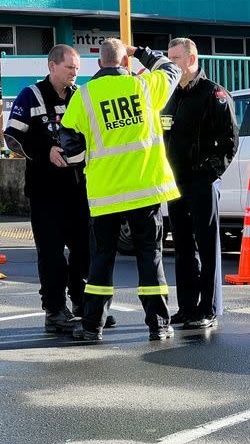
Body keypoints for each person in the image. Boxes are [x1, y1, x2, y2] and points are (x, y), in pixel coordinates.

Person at [58, 38, 182, 341]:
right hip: (146, 189)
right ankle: (159, 325)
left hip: (106, 193)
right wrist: (138, 51)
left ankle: (91, 326)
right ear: (124, 61)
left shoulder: (84, 96)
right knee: (150, 258)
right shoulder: (144, 87)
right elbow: (172, 69)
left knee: (101, 259)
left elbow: (70, 149)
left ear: (99, 63)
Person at [3, 44, 114, 333]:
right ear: (52, 67)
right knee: (51, 254)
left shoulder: (81, 95)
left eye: (77, 68)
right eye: (70, 68)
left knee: (83, 251)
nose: (75, 73)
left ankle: (81, 303)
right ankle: (54, 311)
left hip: (78, 189)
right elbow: (12, 138)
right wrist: (46, 150)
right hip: (44, 192)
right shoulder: (31, 95)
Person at [162, 37, 238, 330]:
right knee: (182, 246)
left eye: (175, 59)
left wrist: (211, 173)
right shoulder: (171, 95)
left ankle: (208, 308)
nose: (170, 64)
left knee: (206, 246)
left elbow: (230, 139)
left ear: (191, 60)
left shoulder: (213, 93)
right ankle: (187, 307)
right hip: (175, 181)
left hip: (201, 181)